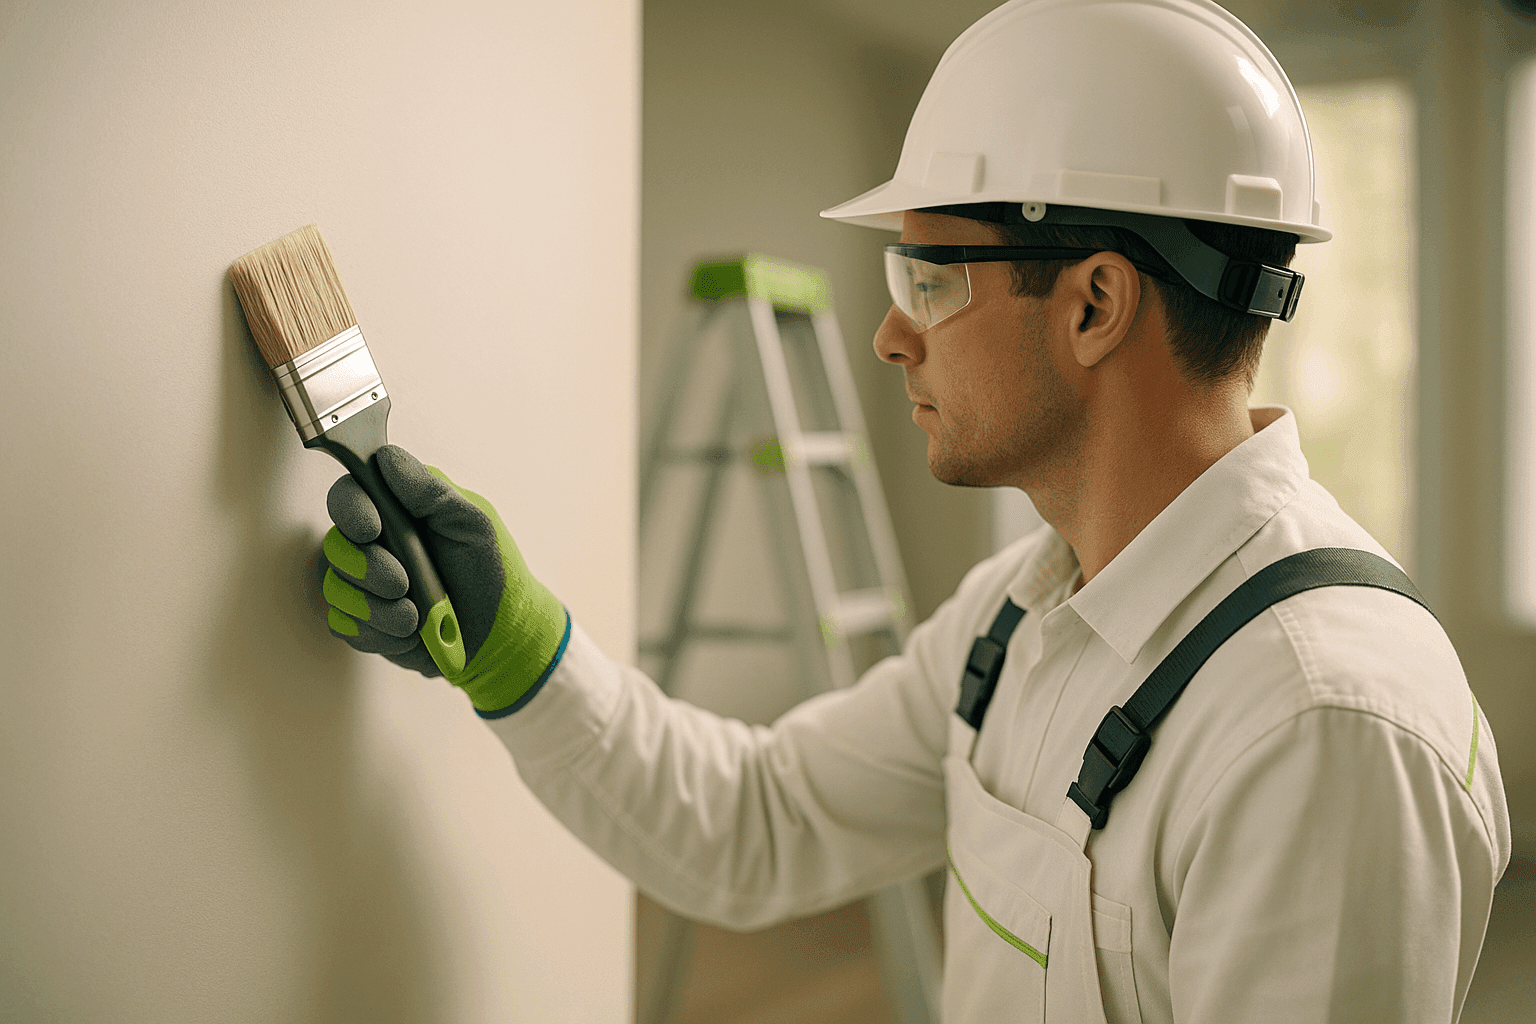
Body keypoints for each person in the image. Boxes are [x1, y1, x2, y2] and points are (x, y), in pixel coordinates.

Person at [316, 0, 1511, 1020]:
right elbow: (756, 822)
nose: (890, 333)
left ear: (1094, 302)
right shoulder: (1025, 614)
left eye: (927, 277)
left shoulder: (1321, 722)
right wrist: (519, 648)